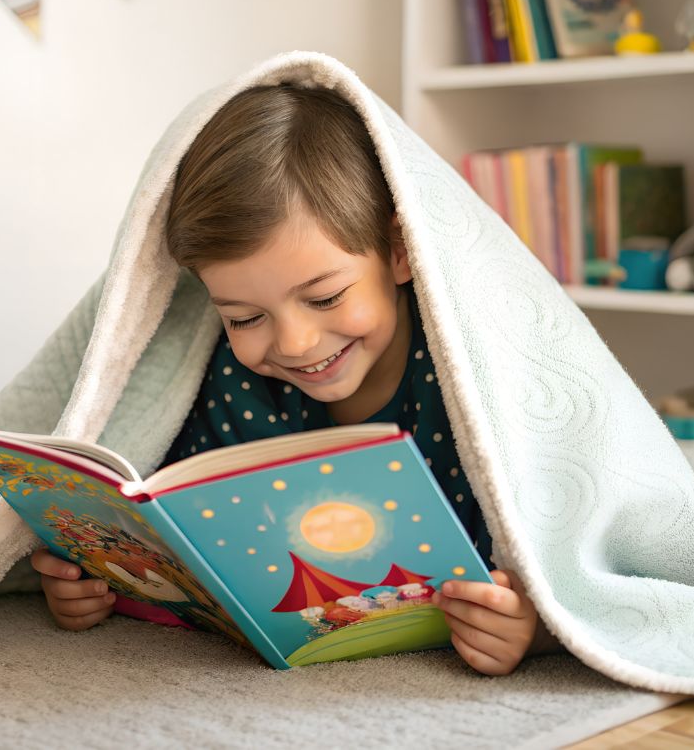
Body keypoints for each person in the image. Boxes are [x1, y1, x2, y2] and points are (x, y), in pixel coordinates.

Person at [31, 83, 562, 675]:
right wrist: (99, 580)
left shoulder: (469, 372)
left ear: (399, 249)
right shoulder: (229, 379)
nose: (294, 343)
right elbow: (175, 537)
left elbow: (587, 557)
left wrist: (537, 625)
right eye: (244, 317)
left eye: (325, 296)